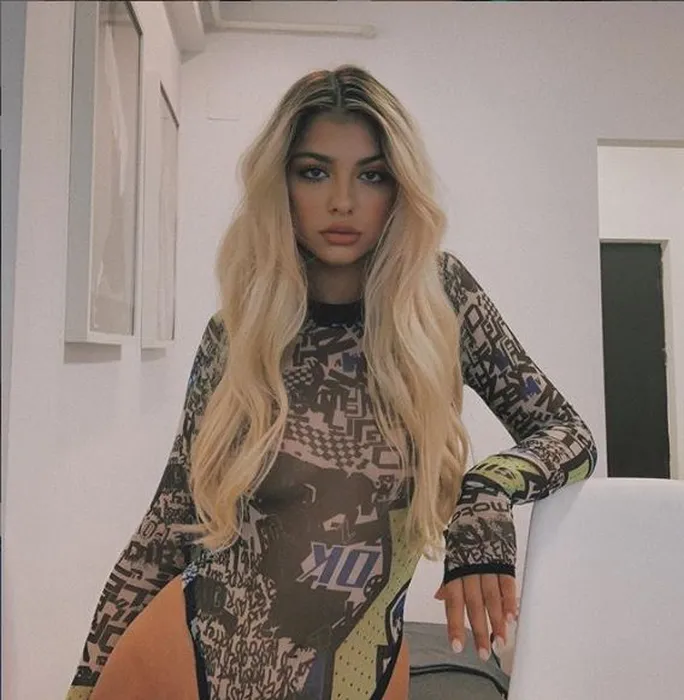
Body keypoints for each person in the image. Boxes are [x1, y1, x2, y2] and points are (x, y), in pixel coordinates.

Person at [66, 65, 596, 700]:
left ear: (399, 187)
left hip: (360, 676)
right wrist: (83, 685)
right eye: (314, 172)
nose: (342, 201)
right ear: (281, 183)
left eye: (372, 175)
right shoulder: (238, 333)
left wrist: (485, 492)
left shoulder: (441, 300)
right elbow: (167, 527)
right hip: (187, 669)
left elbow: (569, 433)